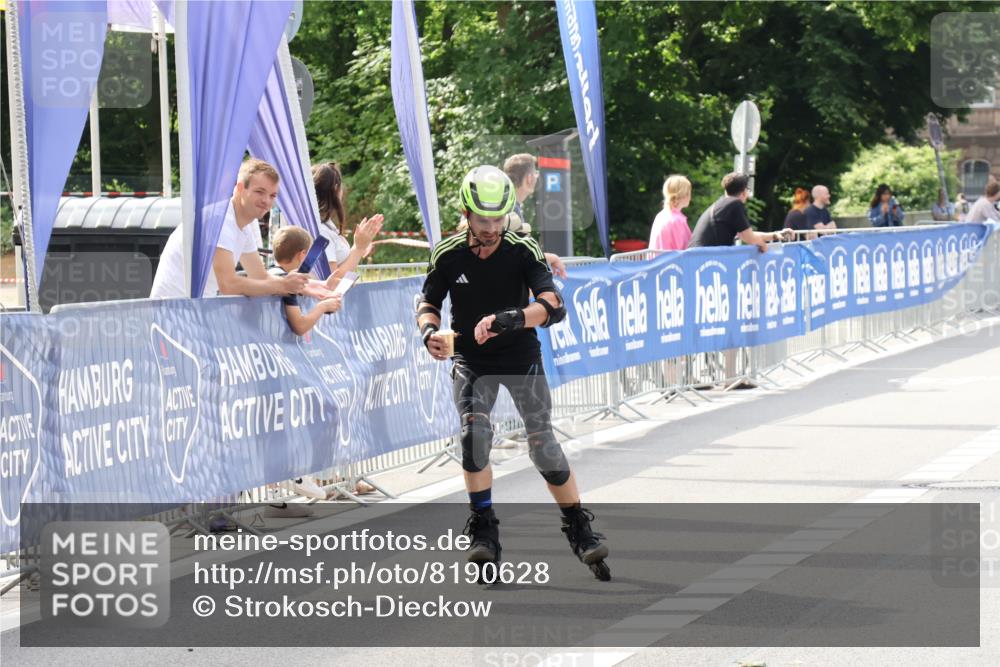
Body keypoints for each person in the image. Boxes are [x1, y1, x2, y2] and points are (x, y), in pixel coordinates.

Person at [415, 165, 610, 580]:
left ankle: (578, 525)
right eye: (482, 220)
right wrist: (429, 332)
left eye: (498, 219)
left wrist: (511, 318)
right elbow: (428, 303)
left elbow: (553, 305)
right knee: (474, 437)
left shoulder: (523, 248)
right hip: (472, 360)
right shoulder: (447, 254)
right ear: (466, 214)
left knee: (543, 445)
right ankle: (484, 528)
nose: (491, 229)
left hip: (520, 356)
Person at [151, 159, 310, 299]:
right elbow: (228, 285)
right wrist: (283, 285)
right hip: (172, 312)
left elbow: (260, 276)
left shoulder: (241, 225)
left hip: (187, 311)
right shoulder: (220, 220)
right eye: (259, 192)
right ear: (240, 188)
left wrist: (306, 287)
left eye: (272, 195)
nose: (266, 201)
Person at [312, 161, 385, 282]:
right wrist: (358, 248)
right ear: (336, 188)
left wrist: (361, 246)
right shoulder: (322, 231)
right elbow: (331, 281)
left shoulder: (325, 226)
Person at [268, 226, 343, 335]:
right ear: (302, 255)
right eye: (308, 254)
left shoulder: (270, 274)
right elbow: (300, 327)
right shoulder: (289, 285)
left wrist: (322, 284)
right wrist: (323, 306)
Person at [688, 172, 791, 252]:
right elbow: (749, 238)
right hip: (707, 256)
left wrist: (774, 235)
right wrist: (764, 246)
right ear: (744, 192)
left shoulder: (723, 203)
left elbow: (745, 234)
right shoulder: (735, 204)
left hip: (698, 255)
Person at [648, 175, 692, 251]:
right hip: (671, 259)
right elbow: (686, 250)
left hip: (658, 258)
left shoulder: (661, 216)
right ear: (685, 194)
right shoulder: (677, 221)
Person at [502, 153, 539, 235]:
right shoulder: (512, 211)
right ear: (529, 178)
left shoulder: (505, 205)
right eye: (535, 173)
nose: (537, 176)